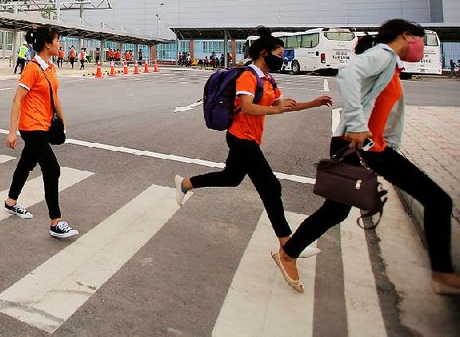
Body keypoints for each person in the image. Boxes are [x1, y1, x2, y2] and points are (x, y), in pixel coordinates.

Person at [274, 19, 460, 295]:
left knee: (336, 210)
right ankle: (443, 274)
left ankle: (288, 252)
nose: (422, 46)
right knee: (437, 200)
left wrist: (387, 141)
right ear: (406, 36)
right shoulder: (383, 55)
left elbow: (384, 110)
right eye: (420, 39)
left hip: (372, 147)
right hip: (359, 145)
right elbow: (348, 76)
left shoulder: (391, 64)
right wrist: (358, 124)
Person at [173, 27, 332, 258]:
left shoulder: (268, 79)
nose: (281, 58)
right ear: (264, 52)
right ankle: (288, 246)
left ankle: (185, 184)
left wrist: (313, 103)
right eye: (278, 55)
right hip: (241, 138)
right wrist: (275, 110)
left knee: (231, 178)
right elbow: (247, 107)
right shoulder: (248, 76)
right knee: (271, 187)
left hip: (250, 138)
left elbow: (283, 105)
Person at [5, 26, 78, 239]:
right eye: (57, 40)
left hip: (45, 126)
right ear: (47, 44)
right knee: (52, 169)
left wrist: (63, 122)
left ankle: (11, 201)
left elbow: (55, 97)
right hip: (31, 127)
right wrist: (12, 132)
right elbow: (17, 99)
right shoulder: (32, 69)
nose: (59, 44)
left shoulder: (50, 69)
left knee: (26, 164)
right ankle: (55, 221)